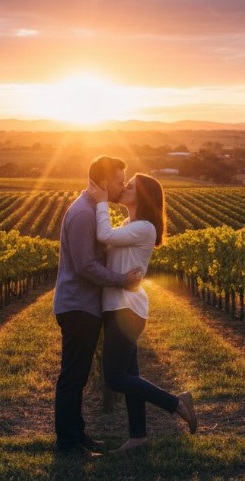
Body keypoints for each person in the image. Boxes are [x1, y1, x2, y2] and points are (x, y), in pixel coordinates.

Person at [88, 172, 197, 453]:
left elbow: (104, 234)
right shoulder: (130, 224)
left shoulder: (145, 227)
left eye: (132, 186)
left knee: (114, 378)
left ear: (143, 196)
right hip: (117, 307)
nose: (125, 187)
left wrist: (101, 201)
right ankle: (138, 436)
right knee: (130, 375)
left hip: (127, 309)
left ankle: (177, 403)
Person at [52, 155, 143, 458]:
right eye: (119, 181)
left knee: (77, 374)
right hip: (78, 306)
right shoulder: (83, 214)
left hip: (85, 306)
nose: (121, 187)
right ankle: (67, 444)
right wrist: (121, 280)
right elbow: (85, 266)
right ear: (104, 183)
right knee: (73, 376)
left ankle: (77, 436)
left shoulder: (93, 211)